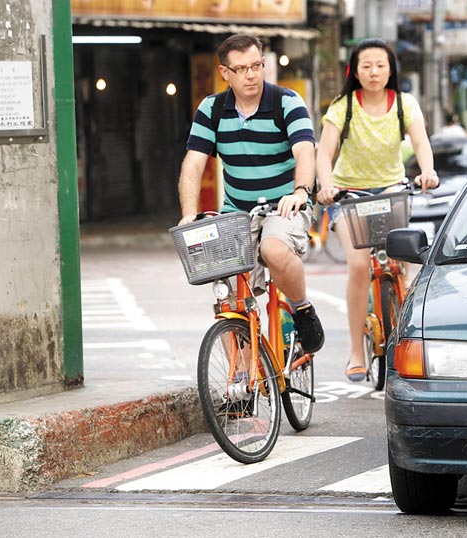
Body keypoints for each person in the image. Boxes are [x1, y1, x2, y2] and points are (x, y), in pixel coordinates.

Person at [177, 33, 324, 354]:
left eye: (256, 65)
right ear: (225, 73)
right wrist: (189, 213)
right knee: (228, 295)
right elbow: (193, 164)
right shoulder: (212, 109)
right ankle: (241, 386)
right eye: (241, 68)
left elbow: (305, 152)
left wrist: (301, 190)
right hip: (237, 211)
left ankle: (302, 309)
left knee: (273, 248)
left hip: (285, 205)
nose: (251, 74)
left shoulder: (286, 102)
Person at [315, 38, 438, 381]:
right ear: (354, 71)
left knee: (401, 263)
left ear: (391, 70)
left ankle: (407, 336)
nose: (374, 72)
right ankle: (356, 350)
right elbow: (324, 153)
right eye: (366, 66)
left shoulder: (404, 104)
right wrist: (326, 186)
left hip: (391, 190)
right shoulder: (343, 107)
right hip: (349, 192)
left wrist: (427, 171)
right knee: (357, 265)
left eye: (381, 65)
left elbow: (421, 143)